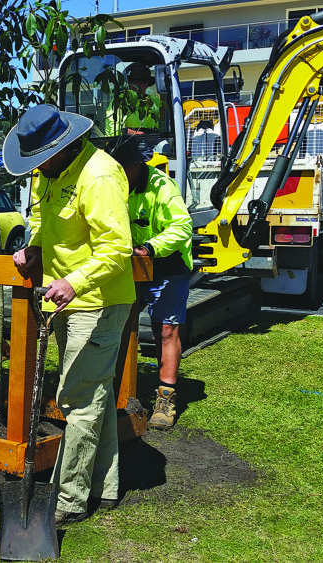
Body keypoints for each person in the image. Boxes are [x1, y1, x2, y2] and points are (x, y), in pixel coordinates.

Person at [4, 104, 136, 525]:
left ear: (63, 146)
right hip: (64, 299)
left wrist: (76, 282)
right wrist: (34, 246)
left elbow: (117, 247)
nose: (36, 168)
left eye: (41, 159)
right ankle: (105, 486)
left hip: (97, 301)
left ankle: (70, 499)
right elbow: (41, 216)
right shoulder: (50, 172)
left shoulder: (99, 175)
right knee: (93, 393)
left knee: (77, 400)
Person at [111, 138, 193, 430]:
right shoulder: (112, 184)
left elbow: (182, 226)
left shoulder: (161, 187)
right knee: (118, 325)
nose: (116, 172)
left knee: (166, 330)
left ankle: (165, 398)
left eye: (121, 167)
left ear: (135, 166)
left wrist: (150, 247)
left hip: (167, 265)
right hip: (131, 267)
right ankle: (116, 389)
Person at [104, 62, 163, 135]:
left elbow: (155, 128)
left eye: (142, 81)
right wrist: (138, 134)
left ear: (147, 84)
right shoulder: (120, 101)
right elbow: (113, 131)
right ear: (129, 83)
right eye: (134, 81)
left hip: (148, 141)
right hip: (123, 141)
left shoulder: (153, 102)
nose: (137, 84)